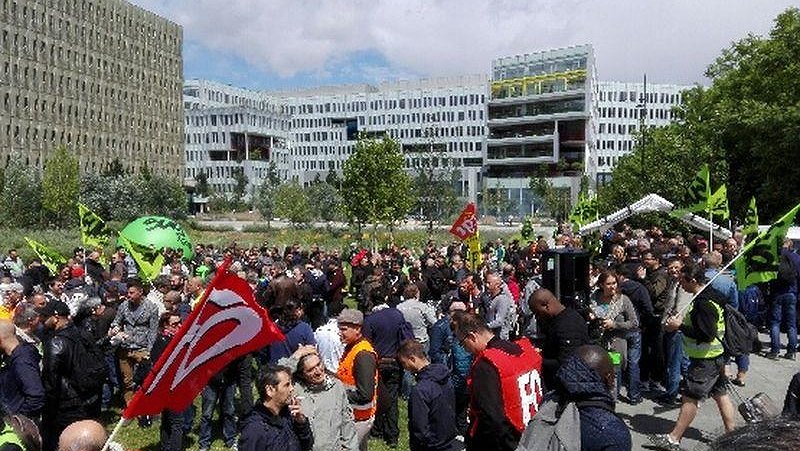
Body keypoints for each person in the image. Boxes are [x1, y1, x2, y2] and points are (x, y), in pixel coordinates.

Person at [648, 263, 736, 451]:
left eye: (683, 281)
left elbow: (706, 334)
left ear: (693, 280)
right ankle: (732, 434)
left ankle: (673, 438)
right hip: (714, 355)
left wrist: (678, 327)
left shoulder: (704, 302)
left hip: (706, 358)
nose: (681, 284)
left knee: (690, 396)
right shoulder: (710, 294)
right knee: (720, 394)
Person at [449, 311, 543, 451]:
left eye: (463, 344)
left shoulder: (487, 364)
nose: (465, 349)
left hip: (504, 441)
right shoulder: (520, 349)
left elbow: (492, 418)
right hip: (532, 431)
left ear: (472, 336)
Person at [278, 345, 358, 451]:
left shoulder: (336, 386)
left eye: (319, 364)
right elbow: (275, 376)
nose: (318, 371)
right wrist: (297, 355)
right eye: (311, 370)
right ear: (302, 375)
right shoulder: (295, 389)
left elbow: (347, 422)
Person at [361, 288, 410, 448]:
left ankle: (379, 429)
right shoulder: (397, 314)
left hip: (379, 363)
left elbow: (366, 344)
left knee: (377, 396)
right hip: (395, 361)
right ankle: (392, 435)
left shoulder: (370, 320)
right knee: (392, 398)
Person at [397, 339, 460, 451]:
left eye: (403, 363)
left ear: (412, 359)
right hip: (448, 441)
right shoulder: (445, 378)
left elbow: (419, 427)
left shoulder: (420, 390)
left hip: (430, 446)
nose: (404, 367)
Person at [589, 272, 640, 403]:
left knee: (614, 372)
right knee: (598, 370)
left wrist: (615, 324)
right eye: (608, 284)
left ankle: (612, 401)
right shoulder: (594, 298)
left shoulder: (623, 300)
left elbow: (634, 323)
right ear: (601, 285)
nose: (612, 286)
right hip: (598, 341)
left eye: (614, 283)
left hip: (616, 343)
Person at [238, 364, 313, 451]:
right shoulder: (254, 430)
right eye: (287, 385)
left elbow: (307, 445)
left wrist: (301, 422)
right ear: (269, 390)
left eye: (291, 383)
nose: (292, 389)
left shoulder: (288, 414)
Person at [108, 280, 159, 405]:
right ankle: (129, 405)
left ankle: (147, 405)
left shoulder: (151, 308)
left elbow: (153, 331)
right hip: (125, 347)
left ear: (140, 292)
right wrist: (115, 328)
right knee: (127, 380)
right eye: (128, 293)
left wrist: (150, 350)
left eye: (131, 292)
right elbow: (116, 321)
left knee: (147, 379)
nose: (128, 295)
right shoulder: (123, 306)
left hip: (142, 348)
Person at [528, 288, 590, 390]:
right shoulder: (558, 320)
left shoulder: (568, 325)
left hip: (569, 387)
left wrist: (538, 360)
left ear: (546, 305)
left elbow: (566, 362)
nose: (537, 317)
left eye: (537, 313)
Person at [336, 309, 378, 451]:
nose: (339, 333)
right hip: (353, 415)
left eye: (344, 329)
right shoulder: (351, 347)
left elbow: (365, 394)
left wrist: (336, 393)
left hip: (359, 418)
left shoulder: (363, 354)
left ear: (357, 329)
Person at [0, 319, 44, 420]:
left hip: (18, 425)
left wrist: (17, 418)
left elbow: (36, 396)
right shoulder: (11, 356)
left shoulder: (22, 361)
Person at [766, 239, 800, 360]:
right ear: (792, 247)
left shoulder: (775, 258)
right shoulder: (796, 258)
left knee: (775, 323)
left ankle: (775, 351)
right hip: (792, 293)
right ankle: (791, 351)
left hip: (777, 293)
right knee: (791, 324)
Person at [483, 273, 516, 340]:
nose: (486, 285)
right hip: (492, 335)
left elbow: (499, 321)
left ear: (497, 285)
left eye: (489, 283)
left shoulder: (502, 299)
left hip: (500, 338)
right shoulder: (491, 297)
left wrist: (484, 327)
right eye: (486, 282)